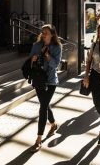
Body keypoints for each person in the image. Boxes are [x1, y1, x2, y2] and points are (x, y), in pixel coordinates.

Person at [30, 24, 62, 152]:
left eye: (46, 33)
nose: (43, 34)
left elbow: (55, 66)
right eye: (42, 32)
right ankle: (53, 124)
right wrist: (33, 58)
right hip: (38, 80)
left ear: (52, 34)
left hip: (50, 81)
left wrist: (48, 55)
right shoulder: (36, 46)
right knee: (45, 104)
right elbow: (30, 61)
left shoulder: (57, 47)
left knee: (43, 107)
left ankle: (38, 139)